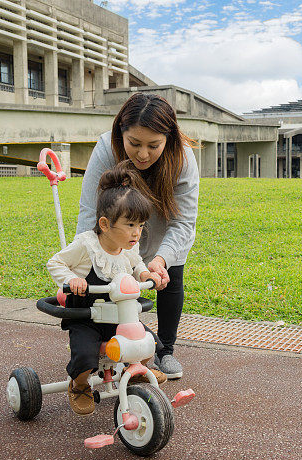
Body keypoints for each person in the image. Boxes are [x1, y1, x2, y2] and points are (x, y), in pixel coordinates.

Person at [76, 92, 199, 381]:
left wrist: (160, 259)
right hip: (114, 230)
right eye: (134, 144)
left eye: (153, 145)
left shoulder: (183, 157)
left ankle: (165, 350)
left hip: (163, 230)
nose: (143, 154)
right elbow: (89, 209)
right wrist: (89, 255)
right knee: (105, 285)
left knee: (169, 278)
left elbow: (183, 222)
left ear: (168, 138)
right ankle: (104, 346)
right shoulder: (107, 147)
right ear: (121, 133)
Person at [47, 161, 164, 416]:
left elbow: (136, 265)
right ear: (104, 224)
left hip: (120, 316)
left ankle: (136, 372)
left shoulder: (128, 247)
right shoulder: (87, 246)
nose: (137, 233)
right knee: (85, 356)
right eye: (130, 225)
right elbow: (54, 262)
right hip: (86, 318)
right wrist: (71, 280)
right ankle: (78, 385)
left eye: (141, 226)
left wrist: (146, 274)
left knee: (147, 341)